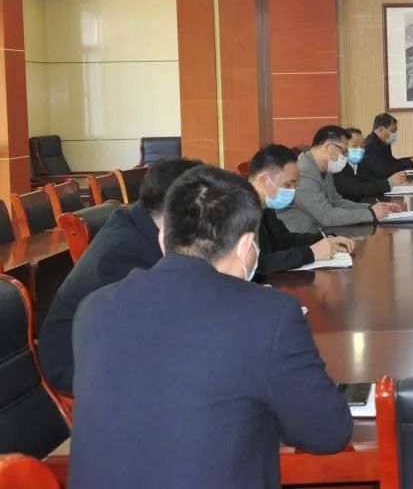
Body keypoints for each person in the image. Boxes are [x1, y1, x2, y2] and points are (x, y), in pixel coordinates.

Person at [68, 166, 352, 489]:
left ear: (162, 238)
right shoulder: (268, 314)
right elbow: (328, 432)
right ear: (246, 246)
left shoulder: (94, 309)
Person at [37, 157, 202, 394]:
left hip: (115, 345)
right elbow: (139, 336)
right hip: (77, 363)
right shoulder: (121, 255)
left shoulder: (143, 222)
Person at [247, 144, 356, 273]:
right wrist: (311, 253)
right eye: (288, 184)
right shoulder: (238, 210)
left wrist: (326, 238)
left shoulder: (266, 205)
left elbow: (285, 240)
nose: (292, 191)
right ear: (263, 180)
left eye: (295, 185)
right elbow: (257, 264)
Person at [277, 125, 400, 233]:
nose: (345, 156)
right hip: (301, 240)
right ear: (327, 146)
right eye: (344, 151)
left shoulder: (325, 167)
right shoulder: (302, 172)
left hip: (321, 233)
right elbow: (326, 216)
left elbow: (337, 201)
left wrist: (371, 207)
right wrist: (372, 214)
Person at [335, 127, 406, 202]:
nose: (360, 149)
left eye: (362, 146)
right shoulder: (338, 167)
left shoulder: (362, 165)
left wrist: (392, 181)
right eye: (355, 145)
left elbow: (373, 181)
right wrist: (389, 182)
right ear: (343, 146)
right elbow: (359, 189)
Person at [363, 113, 413, 178]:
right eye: (393, 130)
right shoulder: (370, 144)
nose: (394, 134)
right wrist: (410, 163)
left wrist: (411, 159)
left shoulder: (383, 142)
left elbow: (392, 162)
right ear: (381, 129)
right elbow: (384, 170)